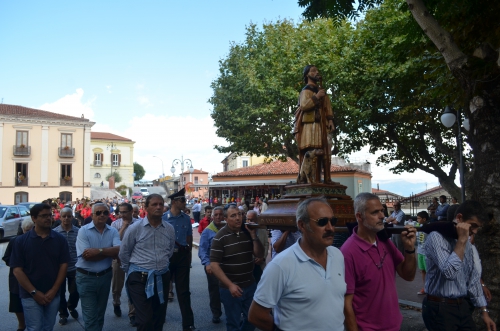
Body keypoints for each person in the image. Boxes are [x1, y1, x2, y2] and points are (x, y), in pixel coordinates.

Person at [248, 197, 346, 331]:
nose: (330, 228)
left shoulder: (337, 255)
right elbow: (256, 315)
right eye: (322, 222)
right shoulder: (280, 266)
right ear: (302, 225)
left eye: (333, 221)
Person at [341, 193, 417, 331]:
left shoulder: (384, 241)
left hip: (394, 325)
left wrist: (410, 249)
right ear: (359, 216)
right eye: (375, 212)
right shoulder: (348, 252)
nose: (382, 216)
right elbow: (346, 305)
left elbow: (408, 275)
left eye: (382, 210)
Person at [422, 200, 496, 330]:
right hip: (440, 307)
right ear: (459, 218)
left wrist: (484, 312)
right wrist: (461, 241)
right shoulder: (436, 237)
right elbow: (449, 272)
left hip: (462, 305)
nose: (475, 231)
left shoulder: (466, 242)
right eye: (472, 225)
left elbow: (473, 278)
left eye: (478, 227)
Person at [10, 203, 70, 331]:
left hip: (53, 294)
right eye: (43, 216)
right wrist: (34, 292)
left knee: (48, 327)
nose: (48, 218)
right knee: (35, 327)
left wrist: (54, 290)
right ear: (34, 218)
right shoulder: (21, 241)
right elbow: (17, 270)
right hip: (29, 295)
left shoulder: (59, 240)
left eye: (50, 215)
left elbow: (64, 265)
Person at [120, 194, 176, 331]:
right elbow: (124, 252)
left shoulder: (169, 229)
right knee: (144, 320)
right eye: (154, 204)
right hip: (139, 277)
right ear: (145, 208)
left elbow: (169, 252)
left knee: (159, 319)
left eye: (161, 204)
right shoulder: (135, 228)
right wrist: (133, 272)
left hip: (162, 276)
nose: (158, 207)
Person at [209, 204, 264, 331]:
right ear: (226, 218)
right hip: (231, 289)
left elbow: (260, 254)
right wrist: (230, 285)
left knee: (252, 319)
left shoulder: (247, 232)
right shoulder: (219, 238)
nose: (238, 218)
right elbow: (214, 265)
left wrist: (253, 236)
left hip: (250, 285)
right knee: (233, 323)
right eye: (233, 216)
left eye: (239, 214)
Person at [76, 203, 120, 331]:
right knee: (90, 318)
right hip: (86, 278)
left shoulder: (113, 231)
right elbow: (87, 256)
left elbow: (119, 250)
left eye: (105, 213)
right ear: (92, 215)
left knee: (100, 315)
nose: (102, 215)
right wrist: (109, 253)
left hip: (105, 277)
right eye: (99, 213)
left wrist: (99, 251)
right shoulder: (83, 231)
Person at [162, 188, 198, 331]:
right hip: (167, 256)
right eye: (183, 200)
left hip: (182, 256)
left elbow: (189, 240)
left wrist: (188, 259)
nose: (185, 203)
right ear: (175, 202)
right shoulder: (164, 218)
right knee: (164, 289)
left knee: (184, 291)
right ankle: (159, 318)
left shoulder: (186, 219)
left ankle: (188, 324)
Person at [293, 65, 335, 184]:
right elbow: (304, 106)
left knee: (326, 152)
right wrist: (316, 97)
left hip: (322, 125)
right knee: (313, 151)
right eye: (313, 71)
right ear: (307, 75)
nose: (316, 72)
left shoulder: (322, 91)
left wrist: (330, 120)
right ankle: (308, 178)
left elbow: (327, 107)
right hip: (310, 125)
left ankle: (326, 179)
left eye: (317, 70)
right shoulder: (306, 90)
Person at [3, 218, 34, 331]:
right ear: (22, 230)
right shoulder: (14, 241)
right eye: (26, 230)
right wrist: (17, 263)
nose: (28, 233)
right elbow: (6, 257)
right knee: (17, 303)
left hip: (32, 277)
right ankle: (22, 324)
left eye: (31, 230)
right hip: (16, 278)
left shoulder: (37, 241)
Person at [110, 203, 137, 326]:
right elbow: (115, 242)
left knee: (133, 287)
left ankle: (133, 314)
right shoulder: (115, 224)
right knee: (117, 285)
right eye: (121, 212)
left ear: (131, 211)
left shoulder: (139, 223)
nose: (122, 215)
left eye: (125, 212)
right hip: (118, 258)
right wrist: (124, 226)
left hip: (134, 259)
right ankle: (116, 303)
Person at [53, 207, 80, 326]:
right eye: (64, 216)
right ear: (60, 217)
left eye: (69, 216)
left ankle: (71, 306)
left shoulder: (79, 231)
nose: (66, 218)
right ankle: (63, 314)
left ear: (72, 217)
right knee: (60, 292)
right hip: (59, 268)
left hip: (75, 267)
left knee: (75, 292)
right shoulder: (54, 232)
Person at [198, 206, 225, 324]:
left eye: (221, 214)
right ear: (212, 216)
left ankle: (232, 312)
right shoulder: (207, 231)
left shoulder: (227, 229)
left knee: (229, 290)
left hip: (227, 266)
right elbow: (202, 250)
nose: (218, 217)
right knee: (215, 291)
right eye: (216, 215)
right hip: (213, 266)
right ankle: (216, 313)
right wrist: (207, 264)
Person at [246, 210, 269, 283]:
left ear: (256, 219)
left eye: (252, 219)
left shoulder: (262, 229)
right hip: (249, 264)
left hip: (260, 264)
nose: (250, 222)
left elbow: (266, 243)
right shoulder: (244, 230)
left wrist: (263, 258)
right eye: (248, 219)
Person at [415, 211, 429, 295]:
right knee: (422, 271)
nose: (417, 220)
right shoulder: (417, 226)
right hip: (419, 251)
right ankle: (425, 287)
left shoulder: (429, 227)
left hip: (426, 253)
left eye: (419, 218)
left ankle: (430, 287)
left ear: (424, 219)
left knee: (428, 271)